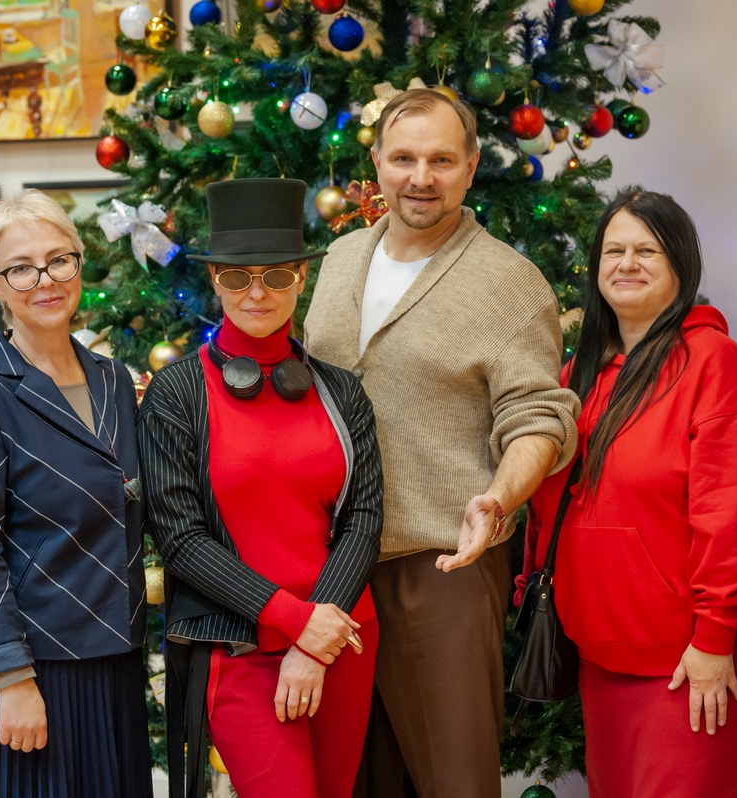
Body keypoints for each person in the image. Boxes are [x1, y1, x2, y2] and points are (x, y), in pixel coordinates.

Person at [304, 88, 580, 798]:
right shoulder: (338, 259)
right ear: (376, 163)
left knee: (455, 781)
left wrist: (499, 497)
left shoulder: (507, 282)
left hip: (443, 566)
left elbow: (538, 416)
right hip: (330, 572)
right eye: (403, 159)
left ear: (471, 166)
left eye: (441, 160)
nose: (420, 177)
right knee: (352, 781)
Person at [520, 191, 737, 798]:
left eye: (647, 251)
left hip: (688, 663)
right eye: (614, 251)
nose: (627, 264)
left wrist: (714, 638)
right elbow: (549, 504)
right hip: (600, 656)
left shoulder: (717, 366)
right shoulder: (580, 373)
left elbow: (731, 518)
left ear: (681, 265)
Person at [137, 178, 383, 798]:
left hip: (341, 635)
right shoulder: (176, 395)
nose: (256, 292)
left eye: (275, 275)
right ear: (214, 279)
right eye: (236, 277)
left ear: (300, 277)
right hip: (240, 645)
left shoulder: (342, 392)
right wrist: (295, 622)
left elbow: (364, 518)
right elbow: (181, 539)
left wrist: (317, 640)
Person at [0, 190, 150, 798]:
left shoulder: (115, 380)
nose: (45, 280)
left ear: (79, 262)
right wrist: (12, 677)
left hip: (111, 659)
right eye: (20, 268)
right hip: (24, 667)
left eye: (58, 260)